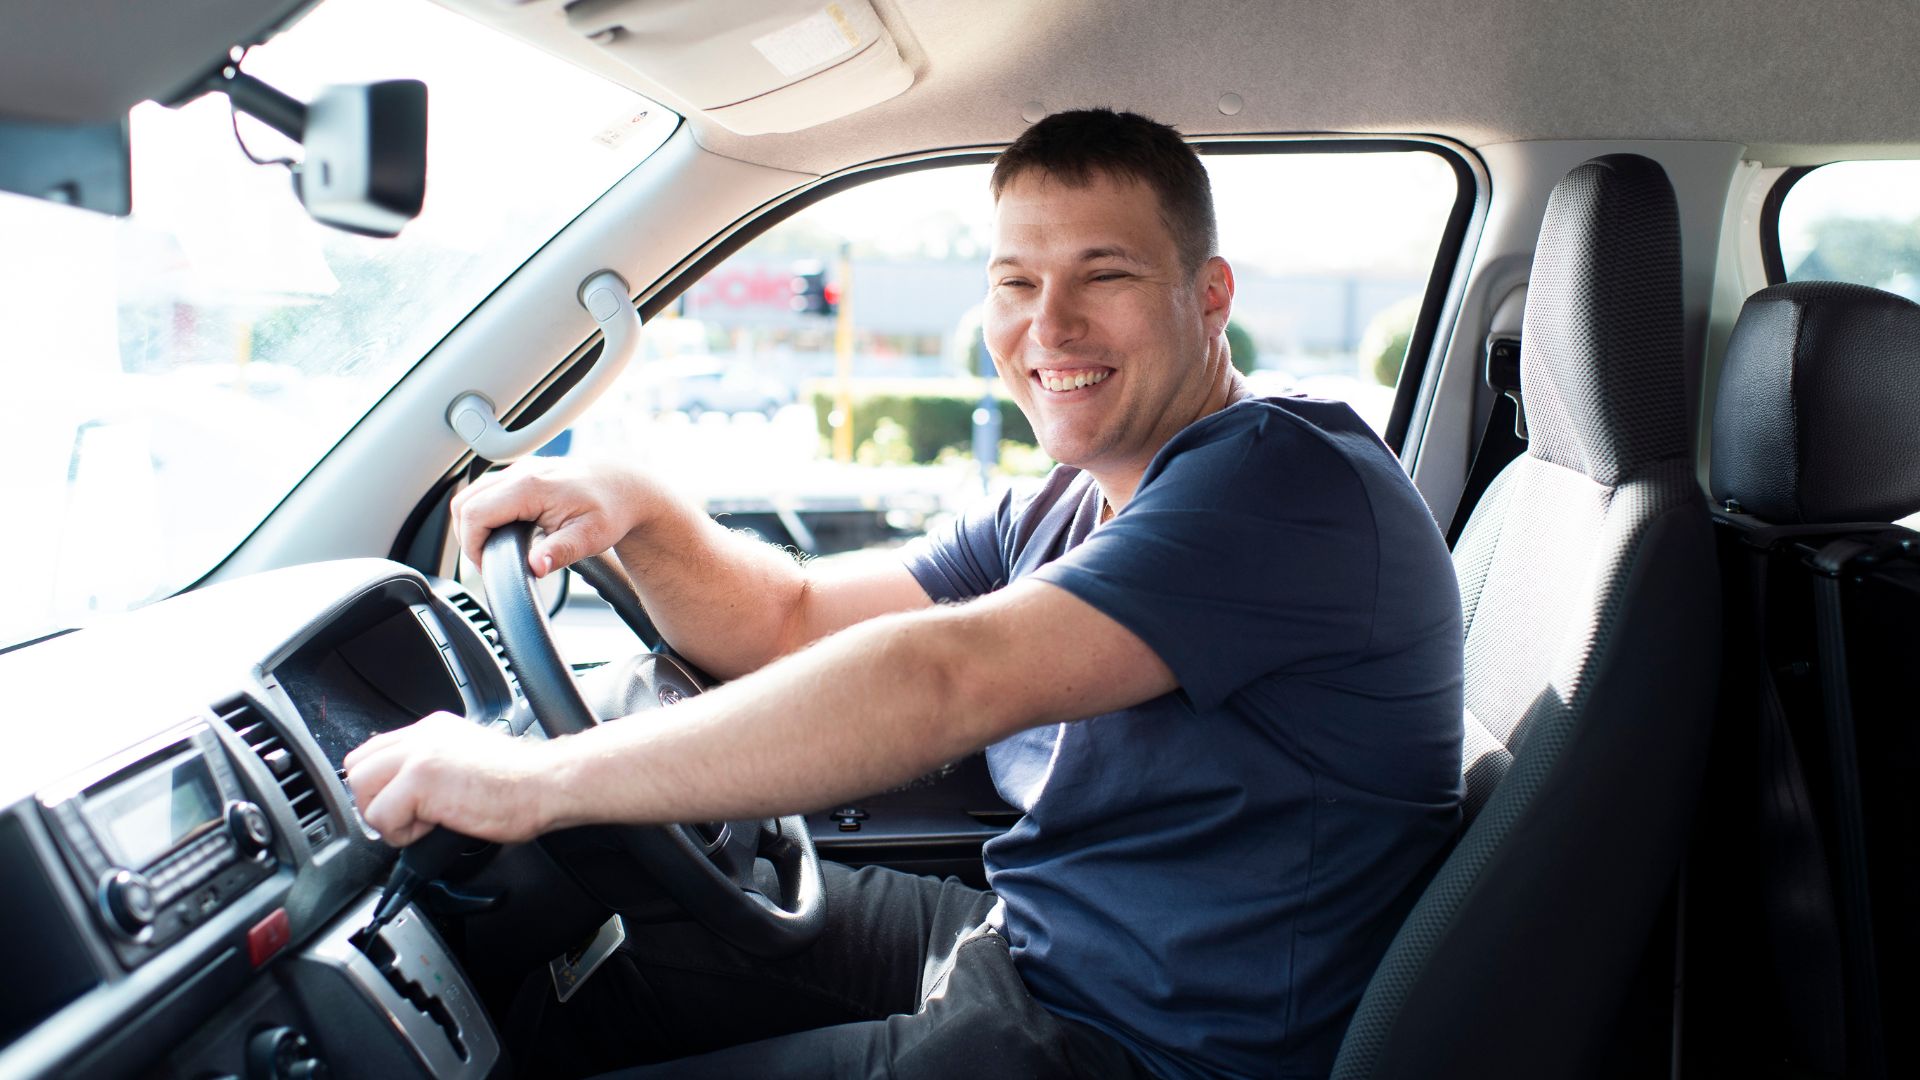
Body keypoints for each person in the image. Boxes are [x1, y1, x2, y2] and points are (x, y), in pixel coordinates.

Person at [344, 108, 1464, 1079]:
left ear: (1208, 295)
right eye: (1017, 282)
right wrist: (639, 507)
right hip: (1045, 949)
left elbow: (946, 679)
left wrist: (537, 783)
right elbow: (786, 620)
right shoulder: (1074, 500)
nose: (1051, 324)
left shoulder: (1279, 483)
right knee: (627, 969)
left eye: (1104, 274)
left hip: (1142, 1048)